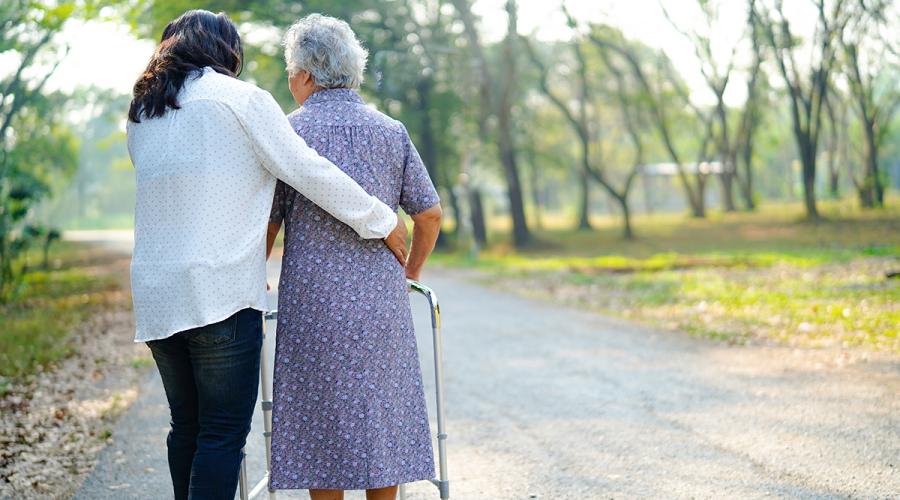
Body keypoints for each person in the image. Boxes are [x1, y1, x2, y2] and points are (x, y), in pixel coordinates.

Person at [126, 10, 408, 500]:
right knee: (220, 432)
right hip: (220, 290)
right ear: (224, 50)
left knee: (186, 426)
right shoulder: (240, 99)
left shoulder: (143, 112)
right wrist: (381, 219)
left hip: (156, 292)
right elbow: (307, 170)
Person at [264, 14, 443, 500]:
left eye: (289, 72)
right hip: (381, 304)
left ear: (304, 74)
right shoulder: (391, 131)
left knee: (321, 422)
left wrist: (252, 275)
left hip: (313, 306)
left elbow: (268, 223)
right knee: (381, 419)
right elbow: (428, 216)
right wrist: (410, 273)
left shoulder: (286, 134)